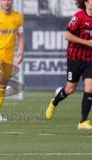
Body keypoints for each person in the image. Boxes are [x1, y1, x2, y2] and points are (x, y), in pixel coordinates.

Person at [46, 0, 92, 130]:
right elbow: (67, 35)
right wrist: (87, 42)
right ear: (87, 2)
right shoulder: (79, 17)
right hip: (75, 59)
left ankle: (83, 121)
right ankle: (54, 103)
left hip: (90, 60)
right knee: (70, 89)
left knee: (90, 88)